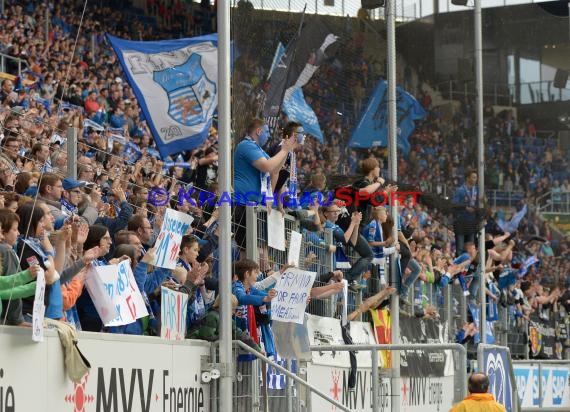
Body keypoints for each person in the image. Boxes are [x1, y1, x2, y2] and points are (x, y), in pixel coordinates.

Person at [232, 118, 297, 251]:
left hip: (253, 205)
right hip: (242, 203)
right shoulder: (246, 145)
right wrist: (284, 150)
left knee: (252, 249)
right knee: (247, 250)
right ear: (259, 131)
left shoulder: (259, 150)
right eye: (267, 132)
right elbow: (266, 166)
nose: (268, 135)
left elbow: (275, 169)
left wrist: (286, 151)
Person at [452, 169, 480, 256]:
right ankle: (458, 268)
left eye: (476, 177)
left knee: (471, 247)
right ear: (468, 178)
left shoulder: (477, 190)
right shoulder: (460, 190)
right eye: (473, 177)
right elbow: (454, 204)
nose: (475, 179)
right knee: (460, 248)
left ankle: (468, 268)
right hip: (461, 222)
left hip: (471, 222)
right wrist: (465, 208)